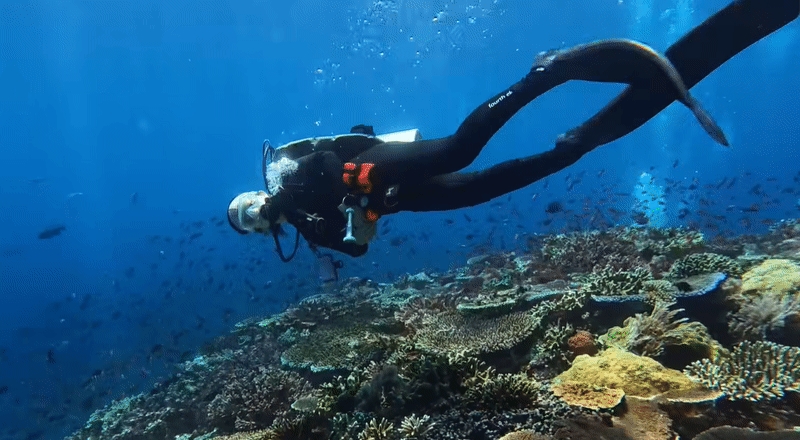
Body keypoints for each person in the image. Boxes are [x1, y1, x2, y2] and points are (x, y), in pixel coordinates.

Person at [228, 0, 799, 261]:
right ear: (259, 235)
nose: (259, 216)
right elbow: (356, 248)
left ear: (255, 196)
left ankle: (542, 73)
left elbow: (329, 167)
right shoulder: (306, 232)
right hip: (397, 196)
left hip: (377, 164)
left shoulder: (288, 175)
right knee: (487, 187)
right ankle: (574, 146)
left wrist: (359, 192)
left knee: (460, 148)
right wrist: (365, 218)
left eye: (250, 208)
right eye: (251, 225)